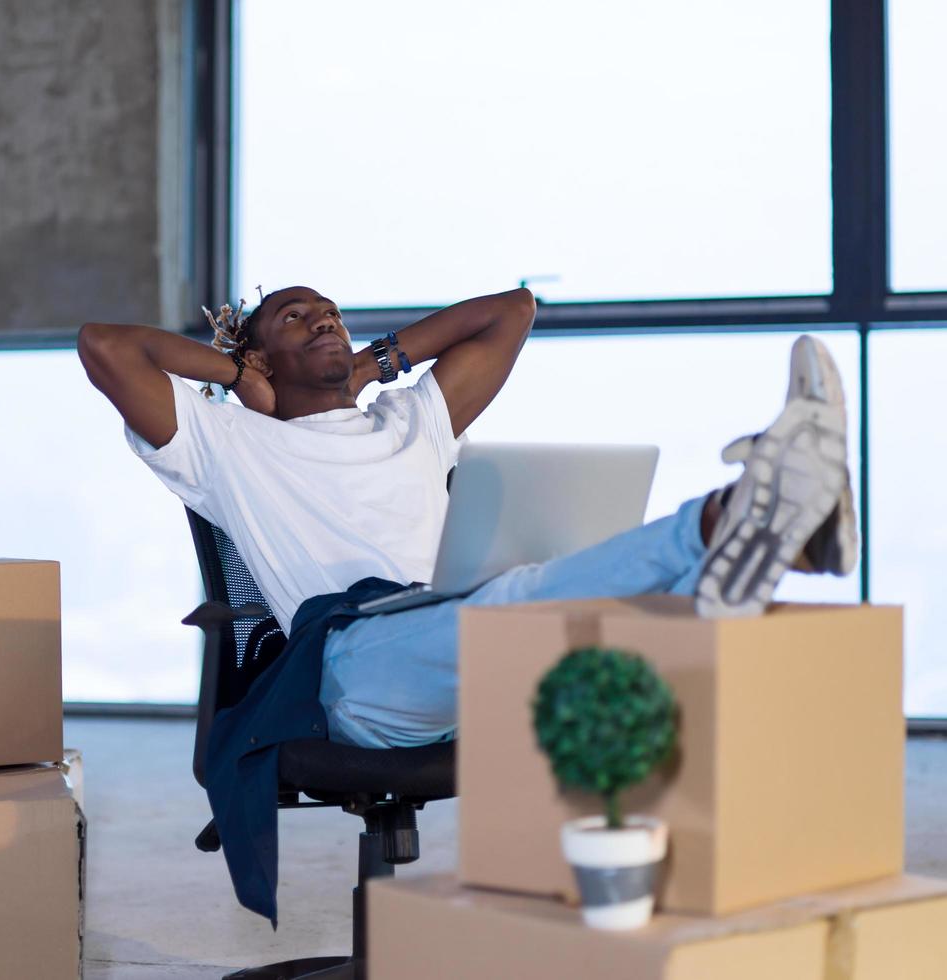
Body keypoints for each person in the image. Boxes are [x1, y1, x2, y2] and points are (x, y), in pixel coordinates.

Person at [77, 285, 855, 920]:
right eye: (295, 317)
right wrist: (236, 375)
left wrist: (378, 364)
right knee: (516, 603)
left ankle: (766, 533)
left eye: (332, 314)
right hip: (347, 670)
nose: (325, 322)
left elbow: (512, 311)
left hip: (447, 646)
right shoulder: (222, 443)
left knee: (592, 631)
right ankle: (738, 516)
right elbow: (106, 345)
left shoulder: (411, 418)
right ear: (260, 355)